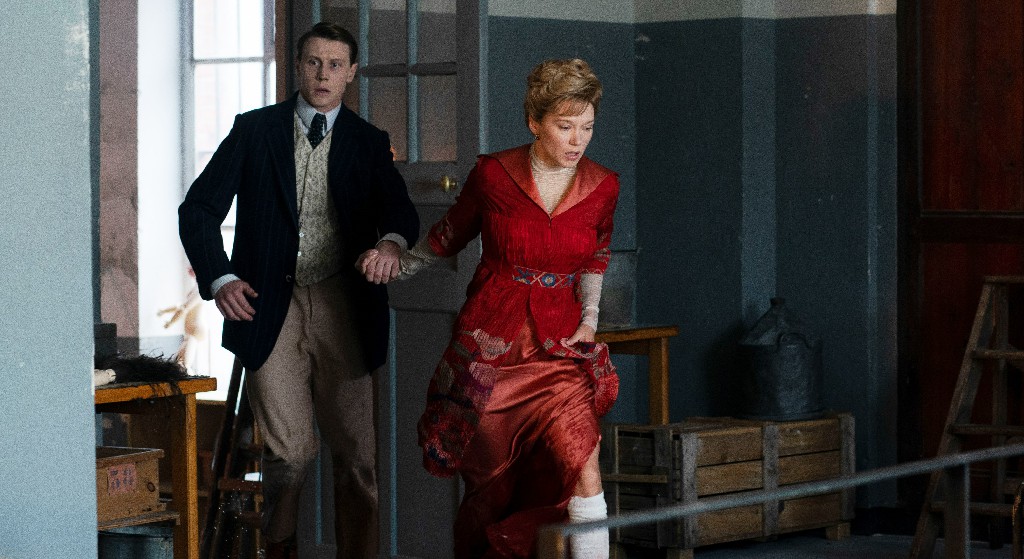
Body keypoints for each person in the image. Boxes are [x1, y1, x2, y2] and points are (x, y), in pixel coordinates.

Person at [358, 58, 619, 558]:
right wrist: (393, 264)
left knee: (584, 462)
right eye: (565, 126)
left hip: (561, 348)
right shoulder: (494, 174)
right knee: (491, 487)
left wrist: (589, 320)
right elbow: (447, 236)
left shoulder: (603, 185)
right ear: (534, 122)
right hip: (492, 348)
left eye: (587, 127)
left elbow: (596, 257)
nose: (578, 140)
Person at [178, 21, 419, 559]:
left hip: (343, 304)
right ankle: (279, 549)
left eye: (334, 65)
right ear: (297, 67)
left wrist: (390, 245)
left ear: (351, 73)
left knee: (357, 457)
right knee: (290, 454)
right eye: (313, 62)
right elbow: (198, 210)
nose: (322, 75)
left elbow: (400, 213)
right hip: (268, 307)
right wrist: (220, 278)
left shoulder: (369, 142)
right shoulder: (254, 130)